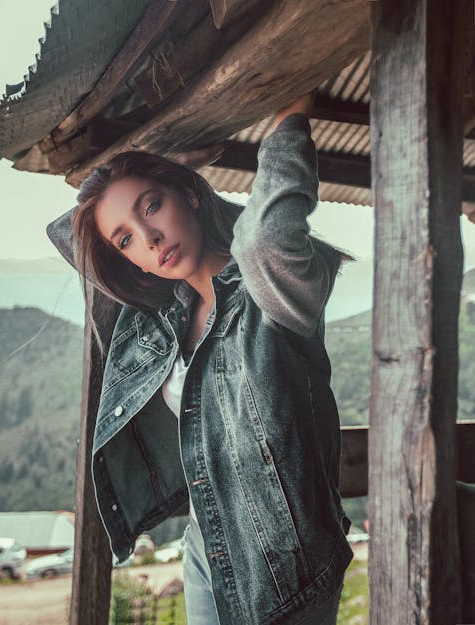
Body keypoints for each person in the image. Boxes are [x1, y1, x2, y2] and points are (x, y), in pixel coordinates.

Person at [46, 91, 355, 625]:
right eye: (127, 240)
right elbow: (67, 237)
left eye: (151, 206)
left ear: (189, 194)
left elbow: (263, 238)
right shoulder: (163, 315)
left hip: (284, 562)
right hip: (205, 546)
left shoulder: (271, 291)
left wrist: (288, 120)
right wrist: (165, 175)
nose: (149, 239)